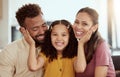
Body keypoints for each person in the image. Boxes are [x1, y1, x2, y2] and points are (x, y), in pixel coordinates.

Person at [21, 19, 92, 77]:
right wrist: (32, 44)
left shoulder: (73, 56)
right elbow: (33, 67)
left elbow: (80, 69)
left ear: (69, 38)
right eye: (55, 34)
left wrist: (81, 44)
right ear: (50, 37)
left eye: (64, 35)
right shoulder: (46, 55)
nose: (59, 38)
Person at [0, 4, 48, 77]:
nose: (42, 32)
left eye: (44, 25)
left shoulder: (54, 46)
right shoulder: (9, 52)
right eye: (35, 29)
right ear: (23, 30)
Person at [72, 7, 116, 77]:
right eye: (76, 22)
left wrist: (80, 44)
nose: (78, 27)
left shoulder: (101, 45)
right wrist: (80, 44)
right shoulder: (75, 45)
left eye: (84, 24)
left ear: (94, 27)